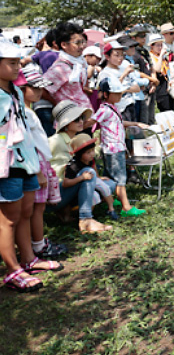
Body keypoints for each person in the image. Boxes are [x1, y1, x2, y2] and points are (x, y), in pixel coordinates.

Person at [1, 43, 63, 293]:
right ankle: (12, 270)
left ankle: (29, 259)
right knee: (7, 219)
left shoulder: (16, 92)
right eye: (11, 63)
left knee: (25, 211)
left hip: (26, 160)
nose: (17, 67)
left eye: (18, 62)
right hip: (7, 163)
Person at [15, 65, 67, 259]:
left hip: (39, 163)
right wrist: (38, 171)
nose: (38, 92)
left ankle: (36, 242)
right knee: (36, 208)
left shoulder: (29, 111)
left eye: (39, 88)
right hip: (34, 164)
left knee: (38, 208)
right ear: (21, 89)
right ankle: (38, 245)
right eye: (33, 88)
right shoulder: (24, 113)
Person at [48, 100, 112, 233]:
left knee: (110, 185)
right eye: (76, 119)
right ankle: (85, 219)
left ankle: (68, 214)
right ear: (65, 123)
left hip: (69, 186)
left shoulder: (74, 140)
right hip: (55, 192)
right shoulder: (55, 141)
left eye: (82, 118)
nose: (81, 121)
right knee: (89, 173)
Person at [89, 77, 147, 217]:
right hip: (113, 149)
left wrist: (136, 124)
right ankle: (126, 207)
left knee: (111, 176)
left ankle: (113, 199)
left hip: (114, 148)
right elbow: (92, 121)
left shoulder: (112, 108)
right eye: (116, 93)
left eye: (120, 93)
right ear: (105, 94)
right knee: (120, 178)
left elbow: (119, 121)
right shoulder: (104, 109)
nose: (119, 95)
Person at [42, 22, 92, 112]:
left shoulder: (78, 64)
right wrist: (59, 105)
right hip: (70, 121)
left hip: (83, 118)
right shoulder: (60, 68)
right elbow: (42, 90)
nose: (81, 46)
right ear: (64, 45)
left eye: (83, 42)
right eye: (77, 43)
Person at [66, 134, 118, 220]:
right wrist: (81, 177)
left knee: (101, 191)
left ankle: (109, 209)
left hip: (89, 186)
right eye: (88, 152)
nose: (92, 154)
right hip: (76, 192)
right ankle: (83, 216)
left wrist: (98, 177)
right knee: (98, 189)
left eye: (93, 150)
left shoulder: (90, 160)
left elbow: (93, 170)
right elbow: (66, 183)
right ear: (79, 154)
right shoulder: (73, 166)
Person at [97, 41, 147, 122]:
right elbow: (107, 94)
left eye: (122, 55)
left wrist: (124, 89)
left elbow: (137, 88)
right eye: (117, 55)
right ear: (107, 56)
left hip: (130, 105)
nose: (120, 58)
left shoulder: (124, 68)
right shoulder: (105, 73)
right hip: (119, 109)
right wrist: (124, 76)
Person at [129, 26, 158, 125]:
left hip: (151, 86)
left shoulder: (145, 51)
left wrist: (154, 82)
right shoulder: (133, 53)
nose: (144, 38)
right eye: (141, 36)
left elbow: (151, 67)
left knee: (151, 116)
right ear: (134, 38)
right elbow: (136, 73)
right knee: (143, 117)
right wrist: (152, 80)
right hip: (141, 89)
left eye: (144, 36)